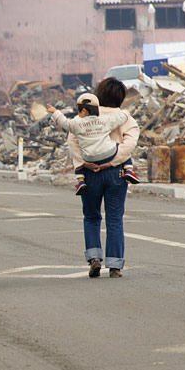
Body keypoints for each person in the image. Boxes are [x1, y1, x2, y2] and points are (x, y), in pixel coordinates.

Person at [65, 78, 140, 279]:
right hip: (116, 172)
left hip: (89, 174)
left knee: (91, 217)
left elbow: (73, 141)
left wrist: (85, 163)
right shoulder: (125, 118)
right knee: (115, 218)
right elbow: (129, 144)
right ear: (121, 98)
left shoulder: (86, 116)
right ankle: (115, 266)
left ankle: (94, 258)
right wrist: (111, 161)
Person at [46, 92, 138, 196]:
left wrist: (55, 112)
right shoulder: (105, 121)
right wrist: (126, 111)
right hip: (109, 155)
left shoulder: (76, 123)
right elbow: (119, 119)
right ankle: (129, 169)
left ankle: (80, 180)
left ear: (84, 110)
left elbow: (64, 122)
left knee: (78, 162)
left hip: (89, 158)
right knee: (121, 147)